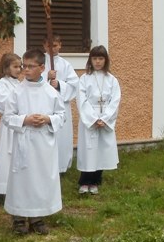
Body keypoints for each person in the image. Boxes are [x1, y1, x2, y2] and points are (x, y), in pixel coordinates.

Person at [3, 49, 65, 235]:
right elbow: (7, 117)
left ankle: (38, 217)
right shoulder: (17, 91)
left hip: (44, 143)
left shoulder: (51, 92)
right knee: (23, 180)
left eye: (31, 66)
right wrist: (25, 120)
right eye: (24, 66)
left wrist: (47, 119)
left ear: (42, 68)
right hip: (25, 141)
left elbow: (61, 116)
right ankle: (19, 218)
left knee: (41, 179)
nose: (26, 70)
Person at [77, 45, 121, 195]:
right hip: (89, 118)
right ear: (90, 60)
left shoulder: (112, 80)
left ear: (105, 60)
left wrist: (105, 118)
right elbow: (81, 100)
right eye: (94, 58)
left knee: (101, 150)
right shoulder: (84, 78)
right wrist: (93, 119)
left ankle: (96, 180)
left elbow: (115, 101)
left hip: (105, 118)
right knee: (89, 150)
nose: (97, 62)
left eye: (100, 58)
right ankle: (84, 181)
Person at [42, 36, 79, 173]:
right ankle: (45, 166)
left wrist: (59, 85)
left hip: (61, 105)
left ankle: (61, 166)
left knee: (62, 136)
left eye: (55, 45)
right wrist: (46, 76)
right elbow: (32, 79)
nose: (52, 49)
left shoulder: (65, 64)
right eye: (49, 46)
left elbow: (74, 84)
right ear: (44, 46)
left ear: (60, 45)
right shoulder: (40, 62)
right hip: (44, 105)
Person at [0, 52, 22, 196]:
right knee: (7, 155)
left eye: (20, 66)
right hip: (9, 125)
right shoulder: (3, 84)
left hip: (20, 123)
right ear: (6, 68)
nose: (19, 69)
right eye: (15, 66)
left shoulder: (20, 83)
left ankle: (19, 187)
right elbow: (4, 103)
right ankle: (5, 188)